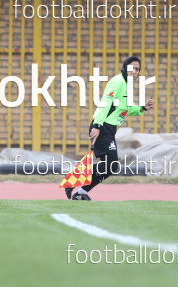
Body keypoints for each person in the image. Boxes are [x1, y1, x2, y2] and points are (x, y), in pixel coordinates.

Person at [65, 56, 155, 201]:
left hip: (110, 129)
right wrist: (97, 126)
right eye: (132, 68)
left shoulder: (127, 85)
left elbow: (126, 109)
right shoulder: (118, 82)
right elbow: (105, 103)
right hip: (102, 127)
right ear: (125, 68)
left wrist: (142, 108)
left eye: (137, 69)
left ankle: (80, 192)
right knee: (111, 166)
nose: (134, 72)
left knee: (110, 167)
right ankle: (75, 178)